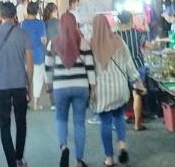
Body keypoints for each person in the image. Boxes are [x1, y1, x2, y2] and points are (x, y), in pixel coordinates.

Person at [90, 15, 145, 167]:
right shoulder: (118, 41)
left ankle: (109, 158)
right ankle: (122, 146)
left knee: (105, 123)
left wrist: (90, 89)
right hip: (120, 87)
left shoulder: (91, 44)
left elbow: (89, 70)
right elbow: (129, 64)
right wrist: (137, 80)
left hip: (103, 90)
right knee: (119, 118)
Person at [0, 1, 33, 167]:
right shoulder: (23, 34)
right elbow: (30, 64)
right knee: (21, 121)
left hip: (0, 86)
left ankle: (11, 163)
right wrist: (30, 87)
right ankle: (19, 157)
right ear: (14, 15)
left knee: (4, 125)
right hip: (20, 84)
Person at [45, 11, 96, 167]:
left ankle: (64, 146)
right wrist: (93, 88)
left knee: (61, 118)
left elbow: (48, 68)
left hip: (60, 88)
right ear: (75, 24)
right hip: (81, 88)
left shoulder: (53, 43)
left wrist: (49, 86)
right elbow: (90, 68)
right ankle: (79, 160)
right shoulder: (83, 42)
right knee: (79, 123)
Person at [116, 11, 146, 131]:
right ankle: (138, 124)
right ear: (130, 20)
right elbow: (146, 45)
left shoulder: (115, 35)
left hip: (120, 67)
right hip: (137, 65)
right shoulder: (137, 33)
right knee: (137, 94)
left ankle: (118, 123)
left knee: (120, 96)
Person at [20, 2, 47, 109]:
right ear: (37, 11)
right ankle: (36, 103)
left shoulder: (23, 24)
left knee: (26, 79)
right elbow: (43, 40)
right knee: (38, 79)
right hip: (38, 55)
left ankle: (26, 99)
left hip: (25, 55)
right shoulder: (40, 23)